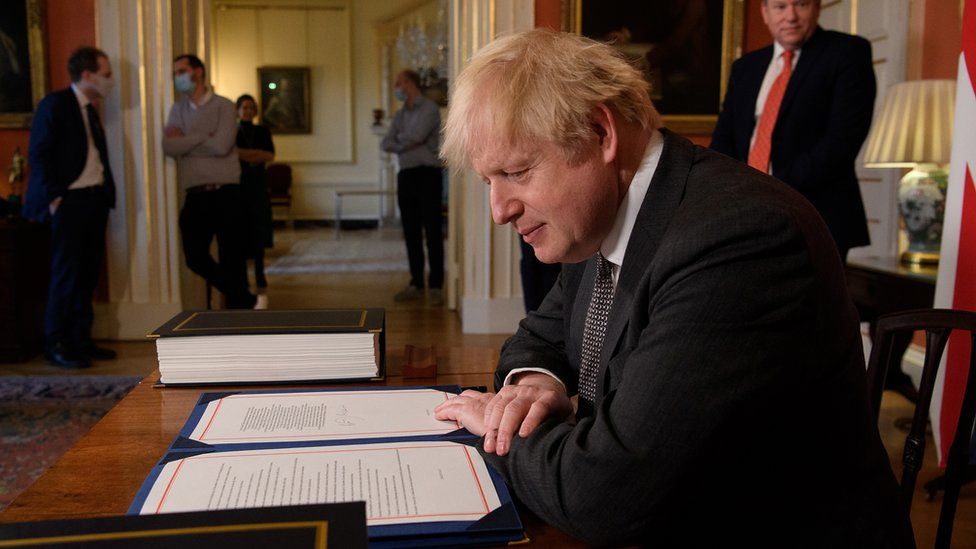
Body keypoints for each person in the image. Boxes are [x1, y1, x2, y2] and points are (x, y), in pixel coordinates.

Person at [432, 29, 913, 546]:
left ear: (600, 131)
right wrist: (534, 387)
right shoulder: (600, 215)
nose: (500, 210)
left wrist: (496, 429)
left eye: (516, 172)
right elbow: (539, 339)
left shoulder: (739, 239)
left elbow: (604, 494)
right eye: (489, 181)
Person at [710, 0, 875, 261]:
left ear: (817, 8)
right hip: (744, 215)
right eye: (780, 7)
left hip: (817, 216)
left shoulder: (848, 52)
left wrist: (769, 190)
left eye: (801, 5)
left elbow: (841, 141)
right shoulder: (746, 67)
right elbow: (724, 139)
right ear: (765, 13)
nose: (791, 17)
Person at [23, 46, 117, 369]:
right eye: (106, 75)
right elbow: (39, 153)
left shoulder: (90, 109)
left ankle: (81, 339)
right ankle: (57, 343)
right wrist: (54, 198)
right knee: (66, 275)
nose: (111, 81)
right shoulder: (56, 104)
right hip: (69, 202)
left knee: (88, 274)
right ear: (87, 75)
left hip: (93, 201)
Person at [162, 54, 258, 309]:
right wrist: (204, 135)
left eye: (181, 71)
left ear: (199, 72)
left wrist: (187, 140)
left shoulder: (224, 106)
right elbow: (168, 146)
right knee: (194, 256)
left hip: (226, 193)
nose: (177, 77)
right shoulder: (177, 109)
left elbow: (222, 145)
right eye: (175, 73)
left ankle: (240, 313)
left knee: (233, 257)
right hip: (196, 194)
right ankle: (244, 298)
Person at [381, 70, 444, 306]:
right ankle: (416, 283)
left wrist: (401, 141)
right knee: (410, 231)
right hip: (406, 175)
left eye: (398, 82)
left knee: (433, 231)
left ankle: (436, 285)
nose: (396, 87)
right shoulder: (400, 114)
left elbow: (418, 137)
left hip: (428, 175)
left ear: (409, 83)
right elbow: (385, 142)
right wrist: (404, 143)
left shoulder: (429, 108)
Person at [235, 94, 275, 299]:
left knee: (259, 230)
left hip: (259, 185)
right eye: (244, 108)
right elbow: (232, 153)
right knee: (241, 231)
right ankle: (242, 277)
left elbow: (269, 155)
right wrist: (253, 155)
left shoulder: (262, 130)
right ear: (238, 110)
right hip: (239, 186)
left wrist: (244, 154)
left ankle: (260, 273)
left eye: (251, 108)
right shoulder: (233, 131)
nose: (248, 111)